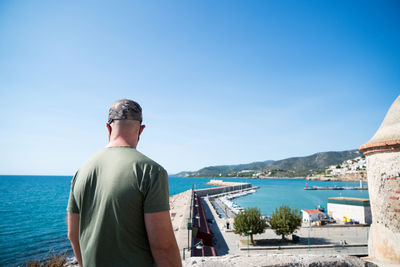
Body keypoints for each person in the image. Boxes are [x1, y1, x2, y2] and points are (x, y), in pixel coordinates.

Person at [67, 99, 181, 267]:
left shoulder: (81, 171)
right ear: (141, 130)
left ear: (108, 128)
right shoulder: (151, 171)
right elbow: (162, 246)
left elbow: (73, 235)